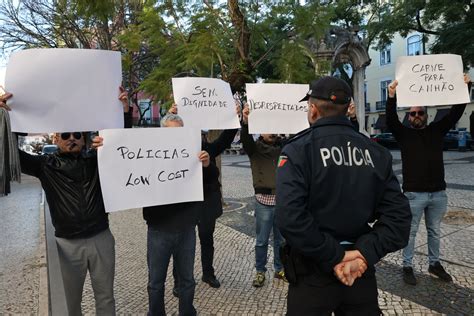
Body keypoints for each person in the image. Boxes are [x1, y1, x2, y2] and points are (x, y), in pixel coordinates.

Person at [275, 76, 411, 315]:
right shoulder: (376, 152)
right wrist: (362, 254)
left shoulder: (298, 150)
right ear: (348, 109)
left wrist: (335, 256)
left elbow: (290, 218)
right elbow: (399, 220)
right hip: (359, 273)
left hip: (312, 275)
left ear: (313, 109)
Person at [0, 87, 130, 316]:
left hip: (101, 238)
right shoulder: (44, 166)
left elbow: (123, 145)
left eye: (77, 135)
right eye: (66, 135)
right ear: (56, 138)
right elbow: (11, 154)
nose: (72, 139)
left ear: (84, 139)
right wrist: (4, 118)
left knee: (106, 299)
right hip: (67, 246)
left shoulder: (97, 160)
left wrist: (124, 111)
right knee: (71, 305)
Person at [386, 75, 472, 285]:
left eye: (420, 112)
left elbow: (455, 113)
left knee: (434, 231)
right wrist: (391, 97)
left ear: (426, 114)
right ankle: (407, 265)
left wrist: (465, 87)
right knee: (411, 232)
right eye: (412, 113)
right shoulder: (403, 134)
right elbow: (390, 119)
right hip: (414, 194)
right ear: (409, 116)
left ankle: (434, 264)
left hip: (438, 194)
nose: (416, 115)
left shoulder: (437, 130)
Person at [142, 114, 215, 316]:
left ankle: (187, 312)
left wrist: (207, 165)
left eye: (180, 131)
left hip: (186, 228)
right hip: (159, 228)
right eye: (172, 132)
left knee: (187, 280)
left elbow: (209, 182)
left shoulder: (194, 152)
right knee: (156, 282)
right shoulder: (149, 154)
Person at [168, 104, 239, 291]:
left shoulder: (207, 149)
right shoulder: (171, 149)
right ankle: (178, 281)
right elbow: (164, 135)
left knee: (207, 239)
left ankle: (208, 273)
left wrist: (233, 120)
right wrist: (171, 115)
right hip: (184, 203)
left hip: (206, 201)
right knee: (181, 243)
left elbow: (224, 141)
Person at [240, 104, 287, 287]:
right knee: (261, 241)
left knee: (281, 240)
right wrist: (245, 121)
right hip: (263, 202)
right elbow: (245, 139)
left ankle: (280, 268)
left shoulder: (284, 148)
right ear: (260, 131)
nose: (272, 132)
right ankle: (260, 271)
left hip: (282, 201)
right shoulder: (255, 149)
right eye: (268, 128)